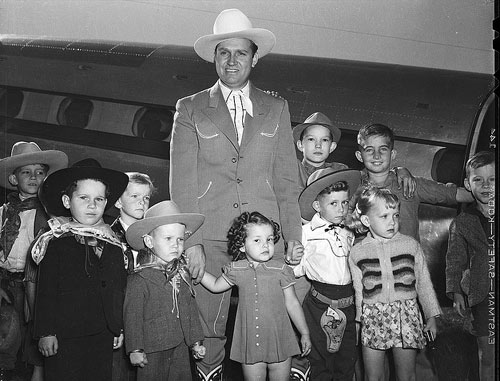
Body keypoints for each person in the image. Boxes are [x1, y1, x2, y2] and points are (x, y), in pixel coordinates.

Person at [169, 8, 303, 380]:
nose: (232, 61)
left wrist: (292, 236)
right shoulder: (190, 108)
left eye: (241, 52)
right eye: (223, 52)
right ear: (214, 57)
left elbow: (288, 182)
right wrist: (191, 241)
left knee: (273, 324)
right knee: (210, 331)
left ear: (255, 57)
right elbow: (182, 183)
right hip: (210, 237)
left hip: (266, 238)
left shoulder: (276, 108)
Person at [31, 158, 129, 381]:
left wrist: (117, 327)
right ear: (67, 201)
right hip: (65, 333)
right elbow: (46, 290)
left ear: (107, 203)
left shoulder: (114, 244)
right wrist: (46, 332)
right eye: (83, 198)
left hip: (102, 333)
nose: (92, 205)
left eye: (99, 199)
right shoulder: (56, 241)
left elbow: (117, 289)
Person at [200, 211, 311, 381]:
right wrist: (196, 273)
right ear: (242, 245)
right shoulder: (236, 270)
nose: (265, 245)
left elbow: (293, 303)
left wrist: (304, 333)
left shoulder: (281, 270)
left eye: (269, 239)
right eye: (257, 240)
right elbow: (215, 286)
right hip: (250, 341)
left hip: (280, 338)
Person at [348, 186, 441, 381]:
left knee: (406, 375)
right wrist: (359, 320)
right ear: (366, 220)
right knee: (374, 376)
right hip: (372, 317)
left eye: (396, 215)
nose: (393, 222)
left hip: (406, 315)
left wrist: (431, 316)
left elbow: (423, 283)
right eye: (384, 216)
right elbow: (359, 291)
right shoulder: (357, 252)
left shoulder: (410, 245)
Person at [0, 141, 68, 381]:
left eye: (40, 172)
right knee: (7, 334)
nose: (33, 177)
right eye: (26, 172)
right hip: (6, 284)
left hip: (36, 284)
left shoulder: (51, 213)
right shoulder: (4, 212)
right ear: (13, 179)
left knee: (35, 332)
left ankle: (36, 374)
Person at [123, 201, 206, 381]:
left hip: (180, 346)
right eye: (168, 238)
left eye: (180, 239)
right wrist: (135, 349)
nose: (175, 245)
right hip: (152, 349)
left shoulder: (182, 274)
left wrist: (196, 342)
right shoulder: (140, 279)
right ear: (149, 241)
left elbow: (190, 310)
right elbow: (133, 316)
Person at [293, 168, 361, 381]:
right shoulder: (306, 233)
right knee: (320, 358)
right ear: (317, 206)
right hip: (319, 304)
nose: (341, 209)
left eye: (344, 202)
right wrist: (291, 258)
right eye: (334, 203)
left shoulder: (350, 231)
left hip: (348, 304)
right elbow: (297, 269)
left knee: (347, 357)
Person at [352, 123, 473, 241]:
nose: (376, 156)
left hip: (407, 260)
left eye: (383, 149)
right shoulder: (352, 188)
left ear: (392, 154)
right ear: (359, 156)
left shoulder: (410, 184)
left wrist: (486, 190)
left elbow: (455, 194)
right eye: (369, 150)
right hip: (367, 259)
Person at [445, 150, 495, 381]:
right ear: (467, 183)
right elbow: (455, 259)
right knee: (488, 356)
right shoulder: (463, 222)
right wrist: (456, 291)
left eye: (492, 179)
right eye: (478, 180)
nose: (486, 185)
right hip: (484, 296)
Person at [111, 172, 156, 381]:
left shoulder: (153, 238)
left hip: (146, 318)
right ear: (118, 201)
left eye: (146, 198)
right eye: (135, 197)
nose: (142, 202)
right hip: (118, 316)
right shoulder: (108, 236)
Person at [293, 112, 348, 189]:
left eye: (324, 140)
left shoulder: (340, 171)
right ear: (300, 145)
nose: (318, 145)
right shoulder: (293, 170)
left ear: (332, 147)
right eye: (311, 139)